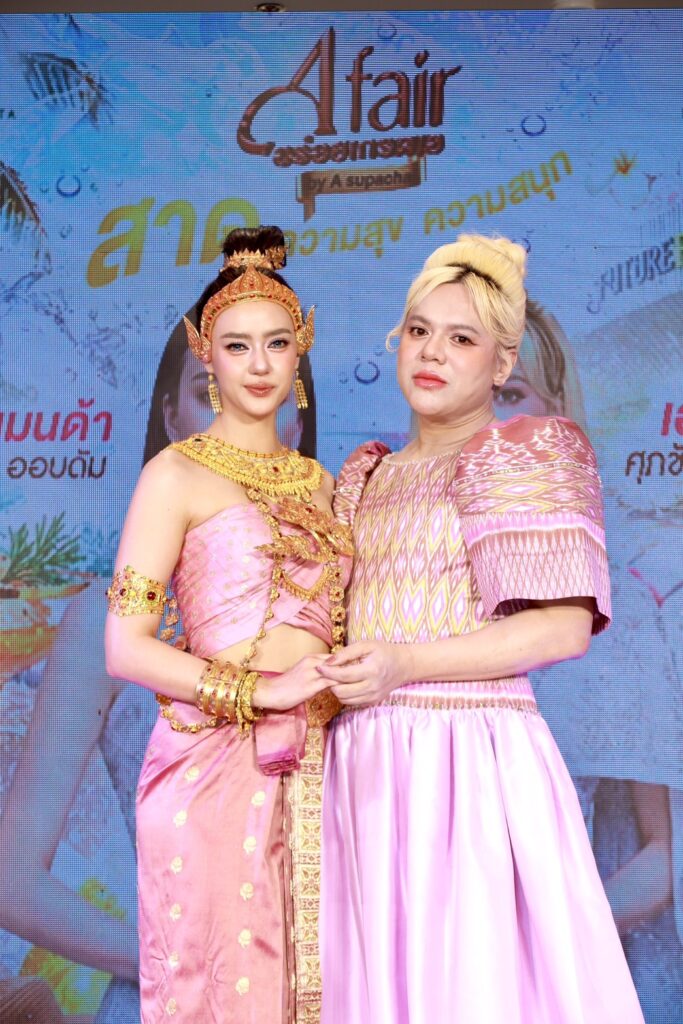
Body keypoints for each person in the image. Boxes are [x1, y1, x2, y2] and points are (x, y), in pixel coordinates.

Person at [318, 233, 644, 1023]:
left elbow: (562, 629)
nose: (432, 352)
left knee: (473, 986)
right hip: (363, 770)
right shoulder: (362, 474)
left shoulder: (522, 452)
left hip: (468, 763)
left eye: (461, 339)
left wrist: (405, 664)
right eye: (418, 330)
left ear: (501, 365)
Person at [0, 231, 320, 1023]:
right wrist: (171, 961)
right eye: (208, 389)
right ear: (171, 417)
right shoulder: (105, 619)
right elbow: (12, 880)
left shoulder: (340, 589)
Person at [104, 224, 350, 1023]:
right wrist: (259, 692)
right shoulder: (173, 475)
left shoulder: (322, 487)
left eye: (276, 344)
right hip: (209, 764)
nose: (258, 365)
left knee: (316, 986)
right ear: (204, 353)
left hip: (320, 764)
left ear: (300, 349)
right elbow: (124, 648)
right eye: (237, 346)